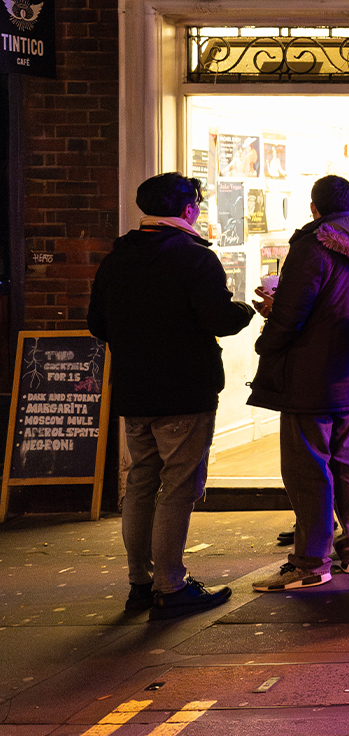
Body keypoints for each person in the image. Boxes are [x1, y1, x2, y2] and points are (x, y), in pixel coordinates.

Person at [89, 173, 255, 616]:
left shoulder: (117, 259)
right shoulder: (193, 258)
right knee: (179, 488)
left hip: (133, 390)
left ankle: (139, 583)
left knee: (140, 484)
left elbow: (96, 324)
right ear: (187, 209)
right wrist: (245, 308)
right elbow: (220, 319)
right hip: (184, 390)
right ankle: (171, 585)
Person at [247, 175, 349, 591]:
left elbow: (294, 313)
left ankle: (311, 563)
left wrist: (268, 335)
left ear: (314, 208)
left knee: (308, 468)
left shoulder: (313, 245)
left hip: (311, 375)